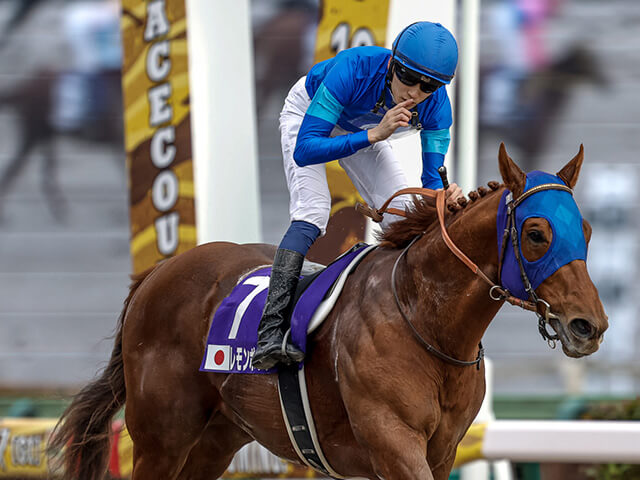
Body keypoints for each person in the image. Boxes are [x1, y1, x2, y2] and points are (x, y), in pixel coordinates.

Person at [252, 21, 464, 370]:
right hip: (310, 116)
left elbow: (430, 183)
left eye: (428, 86)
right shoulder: (354, 68)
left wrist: (443, 198)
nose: (414, 93)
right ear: (392, 63)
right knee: (313, 212)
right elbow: (306, 150)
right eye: (408, 77)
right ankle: (270, 331)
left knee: (405, 216)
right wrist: (373, 136)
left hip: (365, 128)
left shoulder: (437, 108)